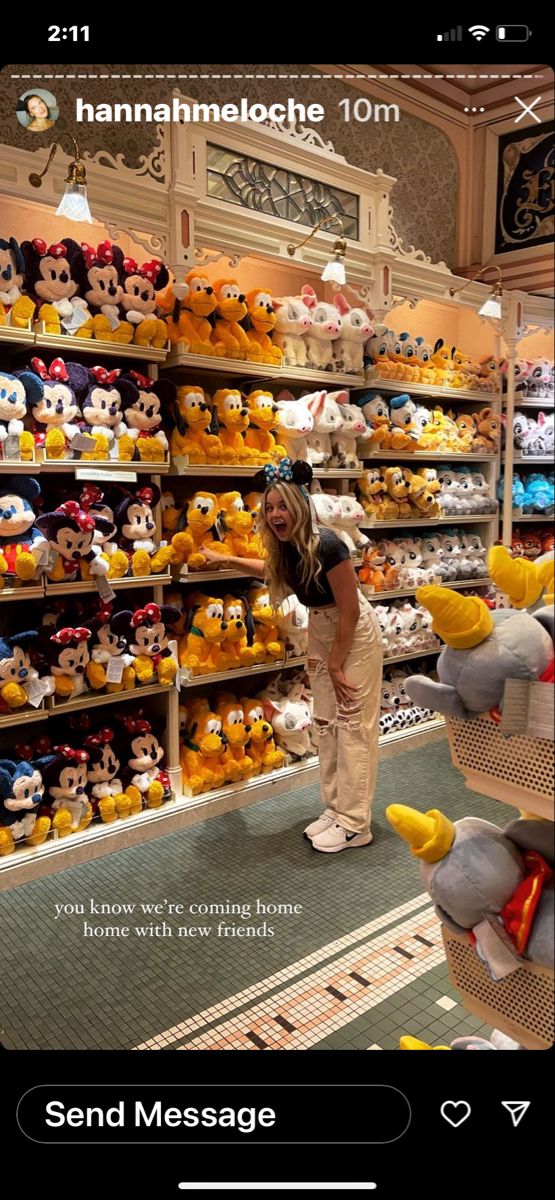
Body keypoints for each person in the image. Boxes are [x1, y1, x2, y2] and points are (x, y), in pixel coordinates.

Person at [201, 458, 384, 853]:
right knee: (326, 722)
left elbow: (350, 611)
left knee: (353, 724)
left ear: (300, 505)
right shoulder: (286, 549)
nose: (275, 514)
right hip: (322, 629)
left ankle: (356, 823)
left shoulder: (330, 545)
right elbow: (269, 567)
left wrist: (336, 663)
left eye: (282, 505)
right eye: (269, 508)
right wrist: (228, 559)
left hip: (352, 633)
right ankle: (336, 810)